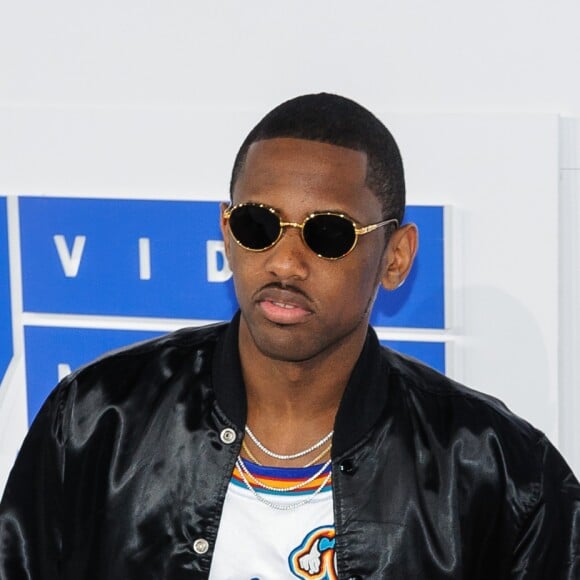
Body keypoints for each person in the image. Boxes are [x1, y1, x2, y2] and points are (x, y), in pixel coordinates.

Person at [1, 93, 579, 580]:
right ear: (227, 234)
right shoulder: (96, 422)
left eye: (329, 234)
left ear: (396, 256)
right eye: (260, 225)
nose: (285, 263)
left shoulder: (497, 473)